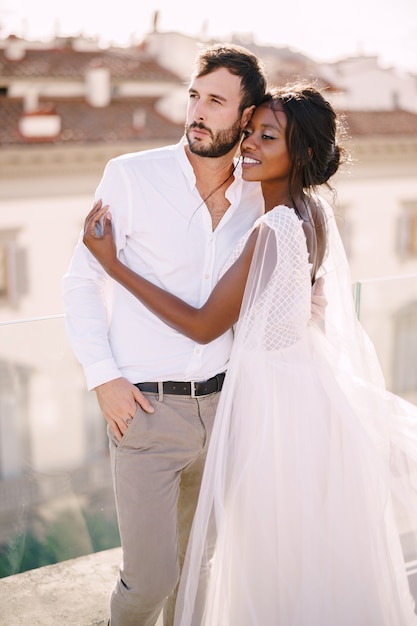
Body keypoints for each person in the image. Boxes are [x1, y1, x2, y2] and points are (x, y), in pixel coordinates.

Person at [83, 84, 417, 625]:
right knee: (291, 553)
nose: (249, 146)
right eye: (249, 132)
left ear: (302, 154)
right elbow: (304, 298)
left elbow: (202, 324)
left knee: (263, 558)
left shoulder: (273, 225)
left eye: (268, 136)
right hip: (299, 384)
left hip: (271, 405)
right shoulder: (312, 214)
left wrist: (114, 265)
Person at [63, 44, 326, 626]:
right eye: (194, 96)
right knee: (150, 577)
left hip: (231, 406)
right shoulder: (131, 176)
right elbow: (81, 281)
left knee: (199, 569)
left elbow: (293, 280)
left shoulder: (260, 189)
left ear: (246, 115)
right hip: (147, 409)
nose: (197, 112)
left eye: (216, 101)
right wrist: (102, 378)